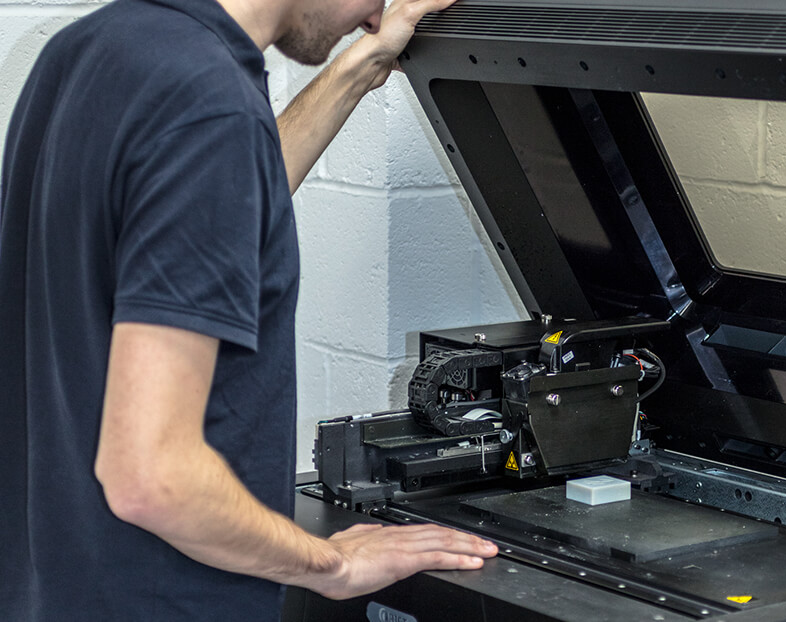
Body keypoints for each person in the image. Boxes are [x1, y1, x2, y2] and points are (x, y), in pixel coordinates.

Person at [0, 0, 497, 619]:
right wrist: (335, 566)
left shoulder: (91, 49)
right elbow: (152, 479)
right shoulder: (208, 106)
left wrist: (356, 69)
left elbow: (219, 206)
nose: (376, 17)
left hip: (56, 588)